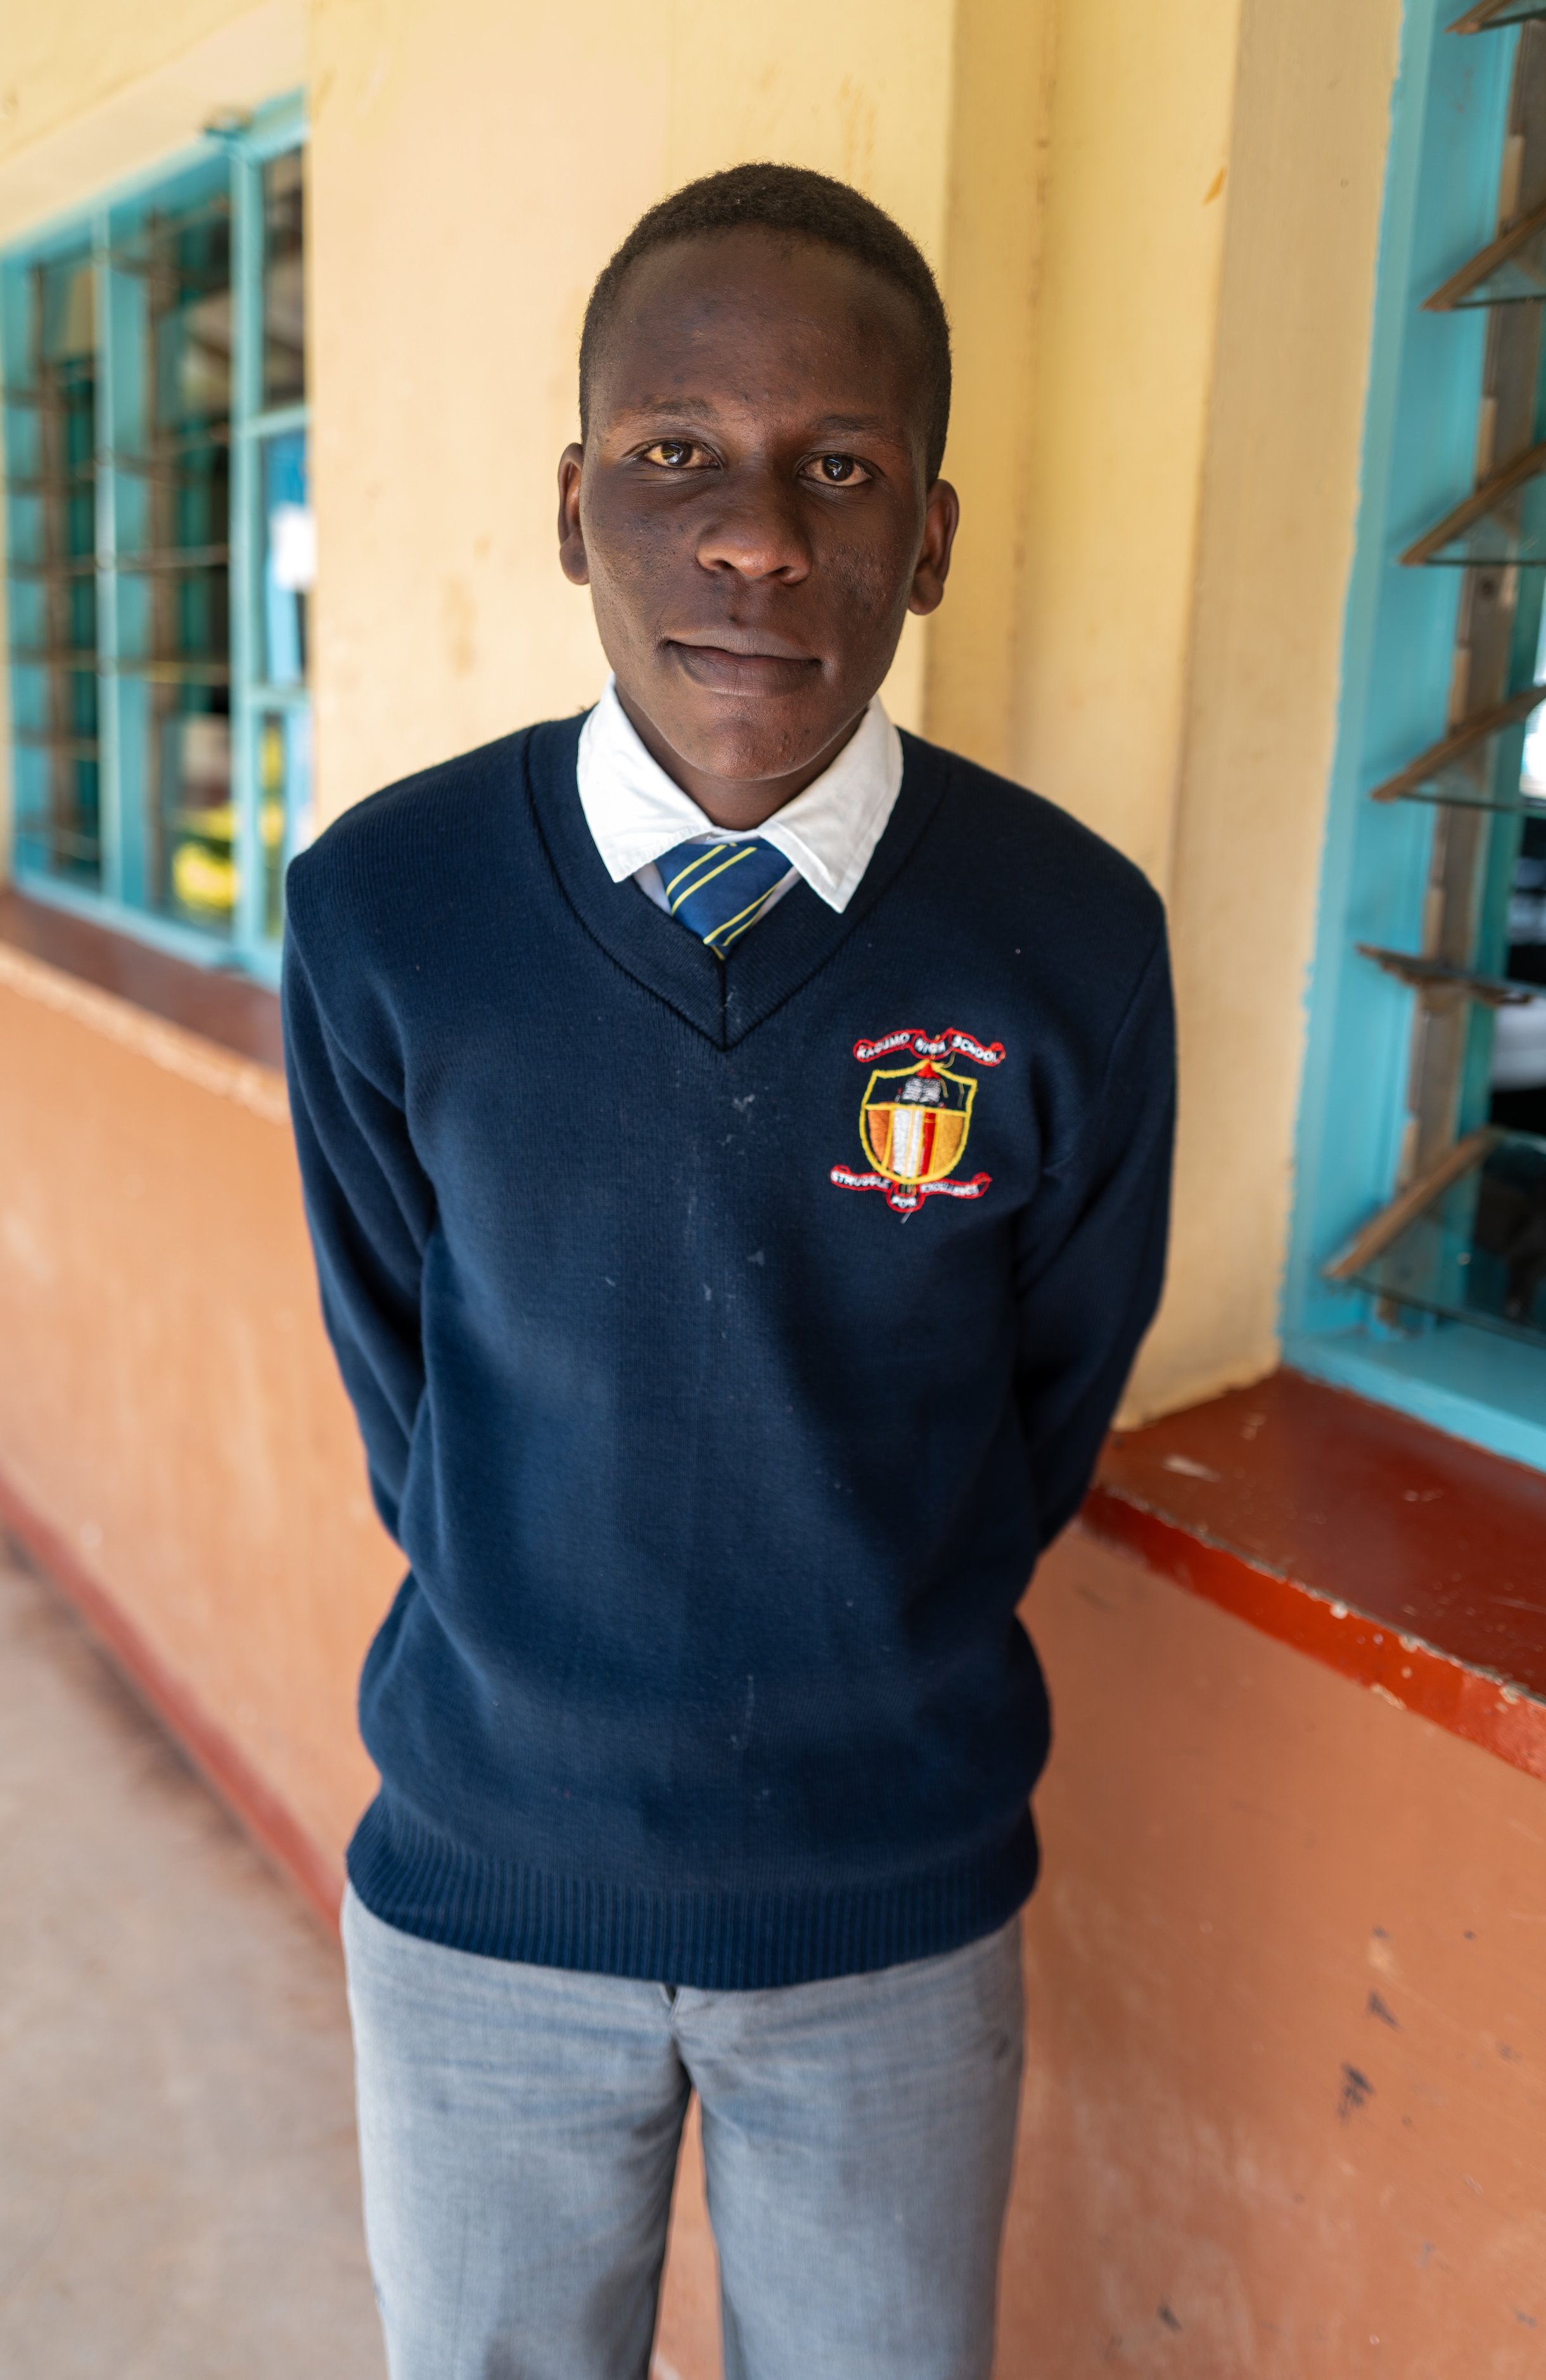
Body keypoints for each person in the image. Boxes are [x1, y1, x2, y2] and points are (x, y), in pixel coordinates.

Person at [282, 162, 1174, 2380]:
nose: (757, 535)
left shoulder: (1066, 942)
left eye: (837, 468)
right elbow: (406, 1377)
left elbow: (1049, 1389)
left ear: (929, 538)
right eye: (678, 455)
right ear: (579, 504)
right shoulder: (388, 913)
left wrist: (853, 1628)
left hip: (886, 1913)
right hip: (489, 1894)